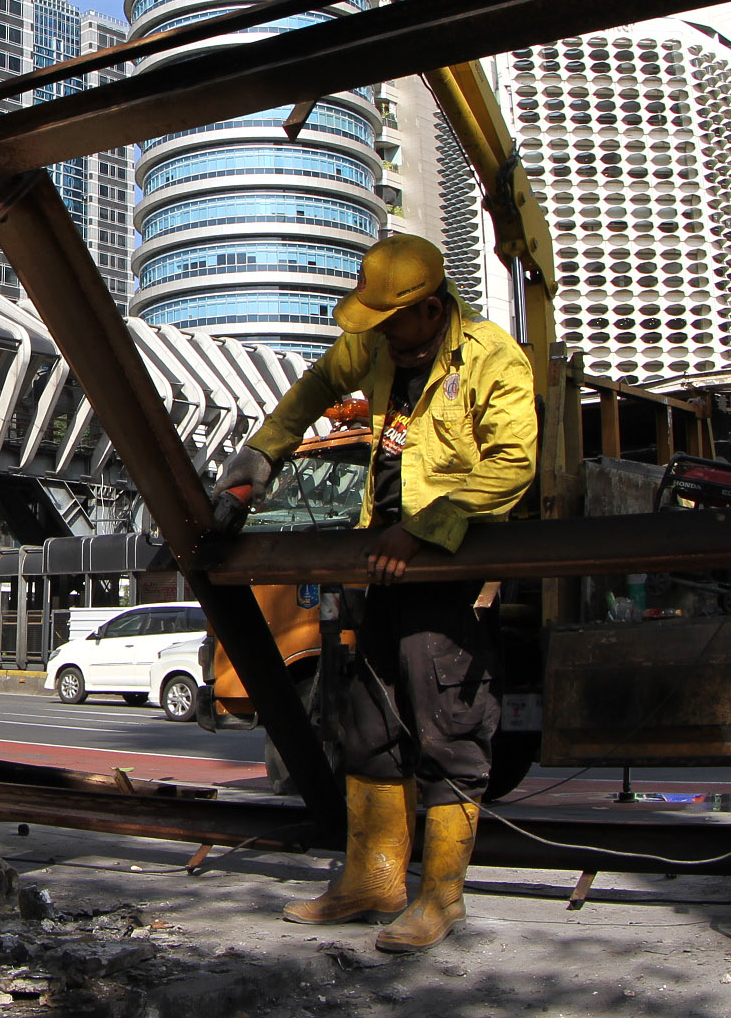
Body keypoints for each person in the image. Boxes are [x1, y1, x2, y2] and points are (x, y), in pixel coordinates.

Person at [208, 234, 536, 954]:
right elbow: (311, 392)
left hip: (446, 573)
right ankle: (373, 879)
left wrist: (423, 531)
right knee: (368, 721)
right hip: (377, 563)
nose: (381, 334)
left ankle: (441, 899)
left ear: (426, 309)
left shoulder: (490, 358)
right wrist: (256, 462)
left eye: (391, 320)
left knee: (446, 727)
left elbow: (513, 465)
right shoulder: (378, 349)